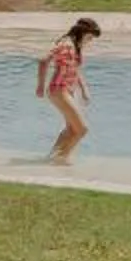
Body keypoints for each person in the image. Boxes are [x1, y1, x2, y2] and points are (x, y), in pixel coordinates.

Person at [39, 18, 96, 164]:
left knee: (71, 128)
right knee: (82, 129)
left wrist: (84, 90)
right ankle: (61, 159)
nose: (89, 41)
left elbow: (75, 68)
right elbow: (44, 60)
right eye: (89, 37)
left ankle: (52, 157)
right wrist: (40, 85)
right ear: (83, 32)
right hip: (59, 90)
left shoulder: (75, 45)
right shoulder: (66, 44)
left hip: (66, 91)